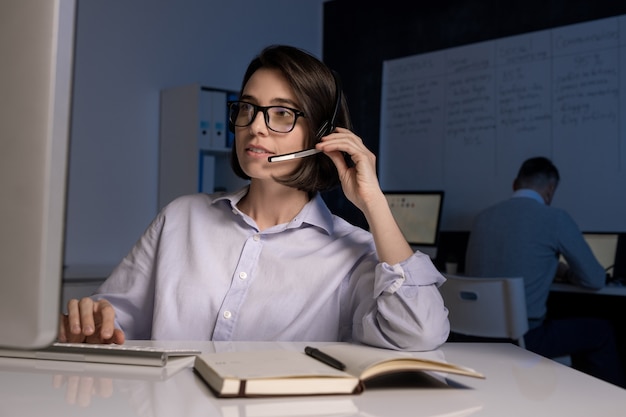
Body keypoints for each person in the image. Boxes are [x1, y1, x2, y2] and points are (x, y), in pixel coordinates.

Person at [58, 44, 450, 352]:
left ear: (322, 134)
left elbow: (420, 331)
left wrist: (372, 201)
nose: (256, 127)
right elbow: (114, 322)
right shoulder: (181, 219)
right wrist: (94, 321)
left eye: (282, 113)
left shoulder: (355, 254)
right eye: (248, 108)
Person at [465, 156, 625, 387]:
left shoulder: (482, 218)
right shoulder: (555, 218)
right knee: (602, 331)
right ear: (550, 190)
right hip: (525, 339)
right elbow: (595, 279)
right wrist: (566, 272)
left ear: (514, 184)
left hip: (478, 338)